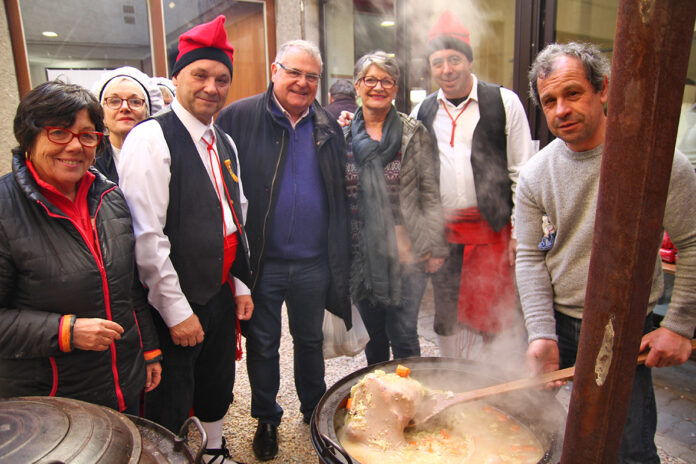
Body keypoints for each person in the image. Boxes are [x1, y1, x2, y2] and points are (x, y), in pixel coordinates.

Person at [516, 41, 696, 463]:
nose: (561, 109)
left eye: (573, 93)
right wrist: (541, 333)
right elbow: (529, 255)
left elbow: (692, 242)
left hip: (628, 329)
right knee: (548, 437)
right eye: (549, 101)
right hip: (560, 323)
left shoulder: (658, 160)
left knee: (629, 447)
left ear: (604, 90)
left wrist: (680, 325)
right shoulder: (535, 174)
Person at [117, 16, 252, 464]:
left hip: (219, 286)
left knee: (217, 377)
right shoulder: (151, 138)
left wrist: (242, 283)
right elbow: (146, 237)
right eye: (200, 75)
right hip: (175, 294)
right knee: (173, 389)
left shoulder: (225, 141)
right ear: (176, 78)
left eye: (221, 78)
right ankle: (168, 455)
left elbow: (238, 216)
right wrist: (176, 312)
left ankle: (214, 447)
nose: (212, 87)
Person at [216, 39, 351, 461]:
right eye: (294, 72)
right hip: (262, 264)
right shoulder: (238, 117)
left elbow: (338, 192)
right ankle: (266, 417)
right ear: (275, 70)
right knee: (263, 344)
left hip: (314, 262)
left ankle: (313, 410)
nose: (303, 82)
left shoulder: (327, 124)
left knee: (309, 341)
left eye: (312, 76)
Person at [0, 80, 162, 414]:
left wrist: (148, 349)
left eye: (87, 135)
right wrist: (65, 331)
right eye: (59, 132)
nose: (75, 146)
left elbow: (128, 287)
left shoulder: (109, 197)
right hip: (51, 400)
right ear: (28, 137)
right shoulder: (6, 209)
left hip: (120, 381)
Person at [411, 10, 534, 357]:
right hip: (444, 231)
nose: (446, 70)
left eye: (454, 59)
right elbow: (417, 179)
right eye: (438, 62)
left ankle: (492, 379)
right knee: (446, 312)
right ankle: (454, 372)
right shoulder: (422, 111)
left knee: (493, 312)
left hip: (493, 228)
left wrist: (519, 234)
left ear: (468, 60)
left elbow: (521, 173)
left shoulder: (503, 102)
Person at [345, 51, 447, 365]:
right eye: (370, 80)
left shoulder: (413, 133)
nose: (378, 87)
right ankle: (379, 400)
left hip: (408, 252)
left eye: (386, 81)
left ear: (395, 88)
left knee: (403, 334)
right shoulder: (343, 135)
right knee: (373, 339)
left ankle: (412, 399)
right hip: (361, 255)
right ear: (357, 86)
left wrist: (435, 246)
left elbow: (430, 191)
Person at [92, 66, 164, 183]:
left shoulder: (163, 155)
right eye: (114, 101)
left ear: (148, 112)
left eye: (135, 101)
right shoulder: (91, 159)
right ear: (101, 112)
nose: (124, 108)